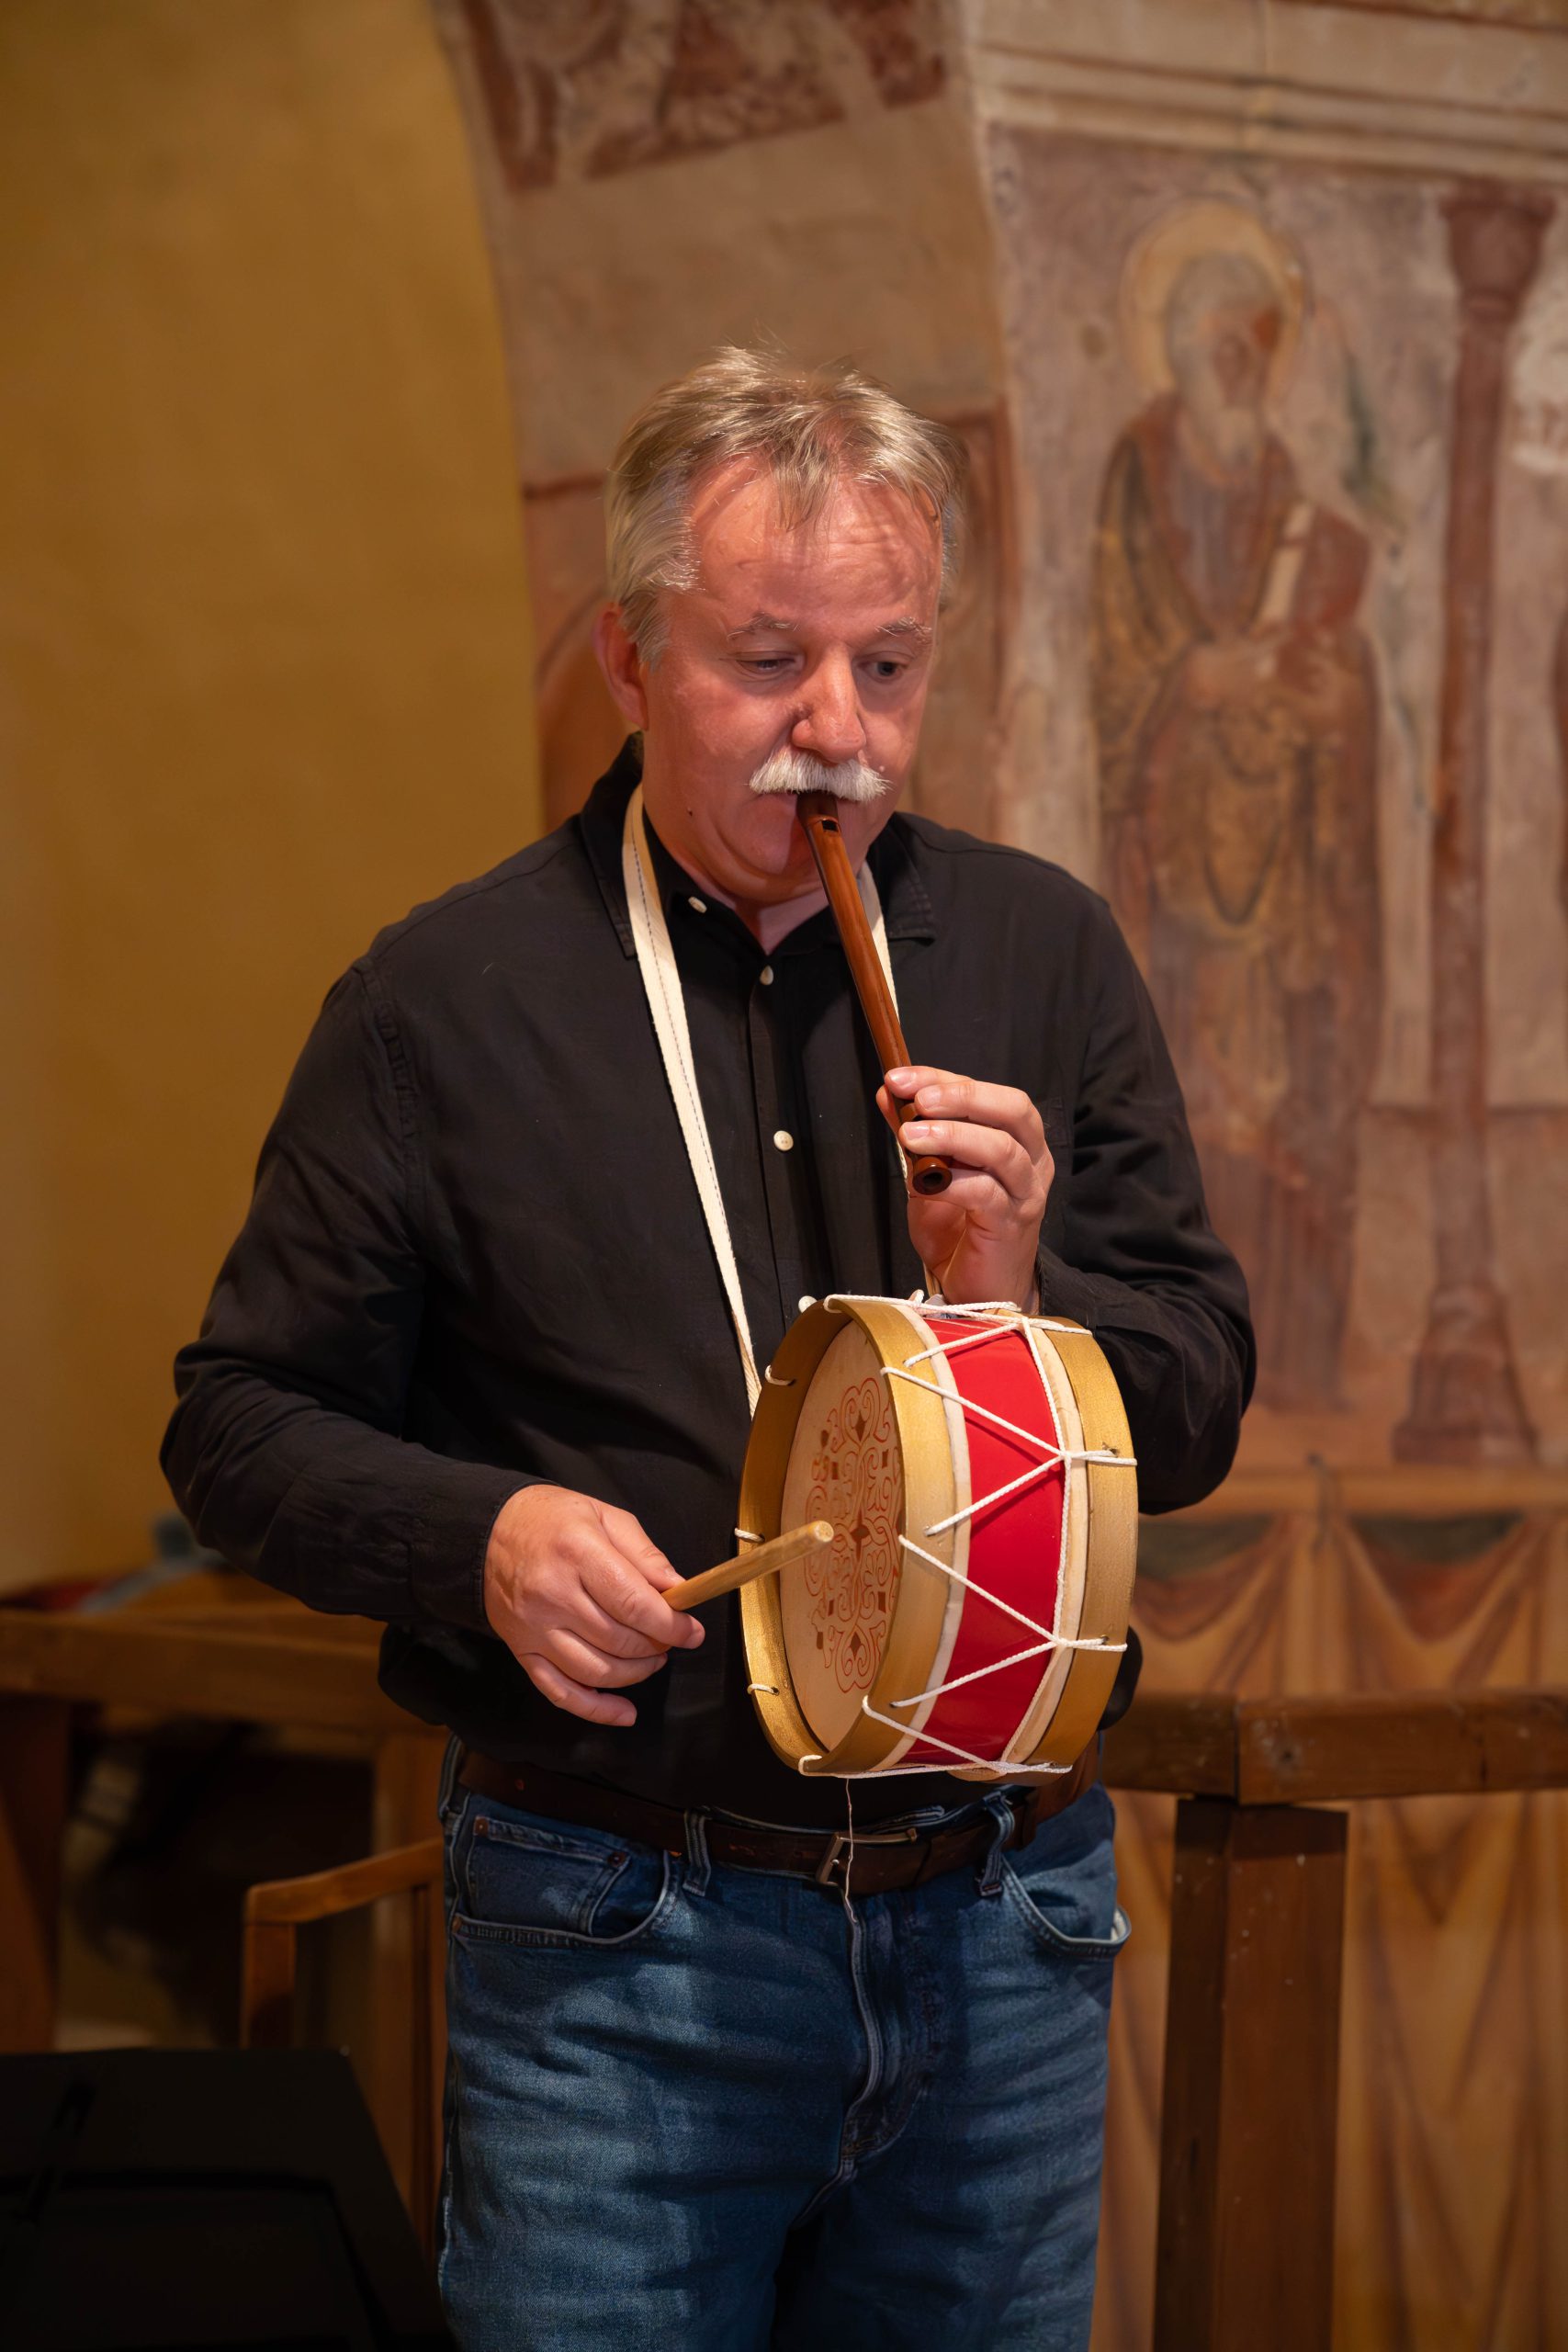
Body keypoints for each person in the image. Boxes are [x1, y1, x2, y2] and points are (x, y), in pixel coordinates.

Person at [164, 349, 1252, 2351]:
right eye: (767, 661)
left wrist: (1021, 1302)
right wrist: (479, 1539)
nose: (836, 732)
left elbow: (1188, 1405)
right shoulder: (441, 1000)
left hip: (1002, 1919)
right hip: (617, 1927)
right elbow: (234, 1425)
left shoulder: (1040, 949)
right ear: (627, 655)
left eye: (887, 667)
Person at [1092, 243, 1379, 1412]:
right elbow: (1123, 651)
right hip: (1180, 855)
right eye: (1220, 349)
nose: (1239, 371)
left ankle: (1294, 1370)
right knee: (1193, 1102)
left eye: (1256, 351)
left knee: (1290, 1096)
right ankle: (1180, 1379)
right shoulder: (1140, 475)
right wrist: (1192, 680)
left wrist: (1328, 698)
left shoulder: (1291, 495)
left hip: (1287, 865)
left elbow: (1332, 658)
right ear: (1180, 351)